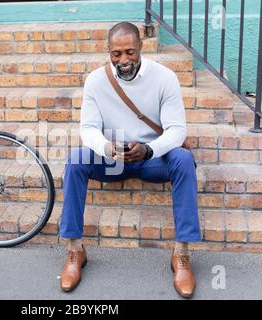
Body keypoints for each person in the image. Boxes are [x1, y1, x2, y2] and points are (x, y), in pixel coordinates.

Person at [58, 21, 201, 299]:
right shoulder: (96, 81)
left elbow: (177, 130)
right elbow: (87, 129)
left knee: (183, 160)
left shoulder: (164, 78)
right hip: (114, 158)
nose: (124, 60)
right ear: (109, 52)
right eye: (117, 54)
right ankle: (75, 250)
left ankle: (181, 254)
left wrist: (149, 150)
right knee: (76, 161)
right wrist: (107, 147)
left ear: (141, 49)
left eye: (130, 52)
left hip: (152, 158)